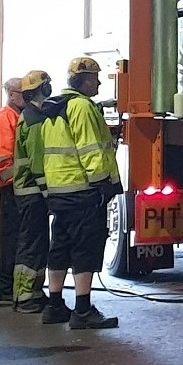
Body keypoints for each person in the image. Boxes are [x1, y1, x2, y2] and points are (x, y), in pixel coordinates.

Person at [40, 57, 122, 329]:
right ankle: (83, 310)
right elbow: (90, 150)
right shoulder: (82, 107)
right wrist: (103, 185)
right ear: (85, 80)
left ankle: (54, 305)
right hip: (84, 192)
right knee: (85, 250)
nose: (98, 82)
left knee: (60, 247)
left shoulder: (54, 108)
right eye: (95, 78)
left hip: (60, 192)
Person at [12, 70, 54, 313]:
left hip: (28, 191)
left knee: (34, 242)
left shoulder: (29, 116)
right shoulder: (35, 120)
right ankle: (26, 297)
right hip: (33, 192)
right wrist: (50, 194)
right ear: (43, 90)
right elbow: (39, 162)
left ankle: (32, 293)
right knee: (33, 244)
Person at [0, 77, 24, 303]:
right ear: (11, 95)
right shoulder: (5, 118)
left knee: (16, 239)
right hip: (11, 189)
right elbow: (1, 160)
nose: (27, 97)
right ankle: (7, 288)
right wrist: (19, 181)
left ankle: (11, 287)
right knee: (10, 239)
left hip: (16, 188)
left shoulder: (16, 117)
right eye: (22, 93)